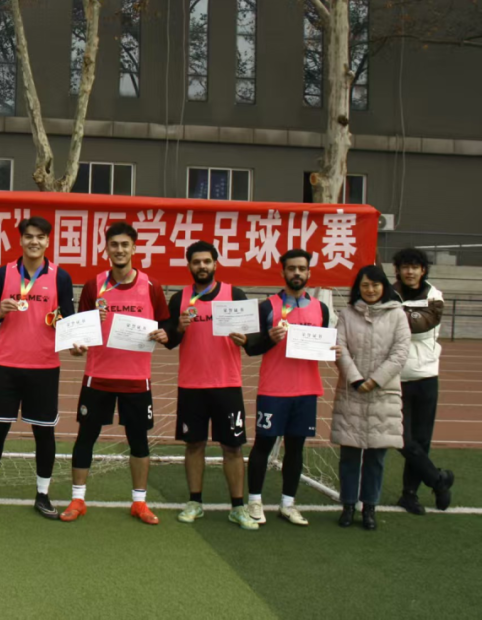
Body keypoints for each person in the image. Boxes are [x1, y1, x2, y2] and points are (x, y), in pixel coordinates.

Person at [58, 221, 170, 525]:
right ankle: (78, 499)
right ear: (106, 249)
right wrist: (78, 345)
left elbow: (165, 324)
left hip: (136, 379)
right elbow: (79, 333)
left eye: (125, 245)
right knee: (86, 437)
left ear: (134, 248)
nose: (119, 250)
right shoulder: (94, 285)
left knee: (139, 442)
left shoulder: (151, 286)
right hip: (98, 377)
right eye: (114, 245)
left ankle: (139, 503)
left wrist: (164, 334)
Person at [0, 216, 75, 519]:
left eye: (40, 237)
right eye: (29, 236)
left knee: (44, 433)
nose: (34, 241)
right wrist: (0, 312)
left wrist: (70, 333)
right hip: (6, 365)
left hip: (44, 366)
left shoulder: (60, 277)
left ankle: (43, 494)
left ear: (48, 241)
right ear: (20, 240)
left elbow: (70, 321)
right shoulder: (3, 273)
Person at [164, 240, 257, 530]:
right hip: (191, 385)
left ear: (215, 264)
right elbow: (170, 340)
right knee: (194, 445)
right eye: (196, 262)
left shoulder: (234, 294)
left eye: (206, 261)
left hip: (227, 385)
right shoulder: (179, 298)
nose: (202, 266)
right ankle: (195, 502)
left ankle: (238, 507)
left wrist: (246, 339)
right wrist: (178, 329)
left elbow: (253, 338)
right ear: (189, 266)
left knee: (233, 447)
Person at [243, 249, 333, 527]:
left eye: (301, 269)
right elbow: (251, 348)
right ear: (283, 272)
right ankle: (254, 501)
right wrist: (270, 339)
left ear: (308, 273)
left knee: (296, 448)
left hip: (306, 390)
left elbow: (321, 345)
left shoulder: (321, 309)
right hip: (273, 390)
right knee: (263, 445)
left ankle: (288, 504)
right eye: (292, 268)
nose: (297, 273)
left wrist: (331, 349)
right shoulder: (267, 307)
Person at [334, 264, 411, 530]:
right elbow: (340, 348)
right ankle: (347, 505)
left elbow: (400, 353)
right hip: (352, 392)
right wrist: (356, 379)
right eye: (365, 285)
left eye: (375, 285)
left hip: (383, 394)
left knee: (376, 457)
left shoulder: (397, 315)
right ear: (358, 287)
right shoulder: (347, 314)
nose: (370, 290)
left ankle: (369, 507)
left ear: (383, 286)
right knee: (349, 455)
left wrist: (375, 380)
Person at [392, 247, 455, 514]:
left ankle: (410, 495)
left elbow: (421, 326)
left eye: (414, 267)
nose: (409, 271)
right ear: (398, 270)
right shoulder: (389, 293)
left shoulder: (434, 295)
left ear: (423, 270)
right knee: (400, 438)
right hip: (395, 376)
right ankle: (438, 479)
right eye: (405, 267)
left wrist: (395, 315)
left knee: (422, 438)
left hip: (426, 375)